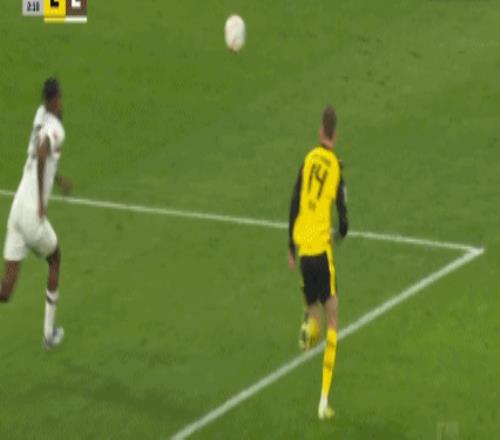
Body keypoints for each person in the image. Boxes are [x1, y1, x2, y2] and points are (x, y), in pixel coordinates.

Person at [0, 78, 72, 349]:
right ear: (54, 101)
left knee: (6, 290)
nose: (62, 104)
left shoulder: (40, 115)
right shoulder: (56, 130)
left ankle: (49, 334)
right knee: (55, 258)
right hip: (31, 213)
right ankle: (48, 334)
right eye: (60, 99)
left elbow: (40, 156)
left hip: (17, 209)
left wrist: (59, 180)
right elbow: (42, 154)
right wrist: (42, 202)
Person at [288, 105, 349, 420]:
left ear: (319, 131)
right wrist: (341, 233)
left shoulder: (308, 159)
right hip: (323, 253)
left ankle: (308, 330)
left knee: (315, 316)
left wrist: (290, 245)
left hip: (303, 252)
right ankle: (323, 401)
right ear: (335, 134)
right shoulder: (336, 165)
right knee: (334, 322)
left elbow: (294, 200)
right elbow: (344, 216)